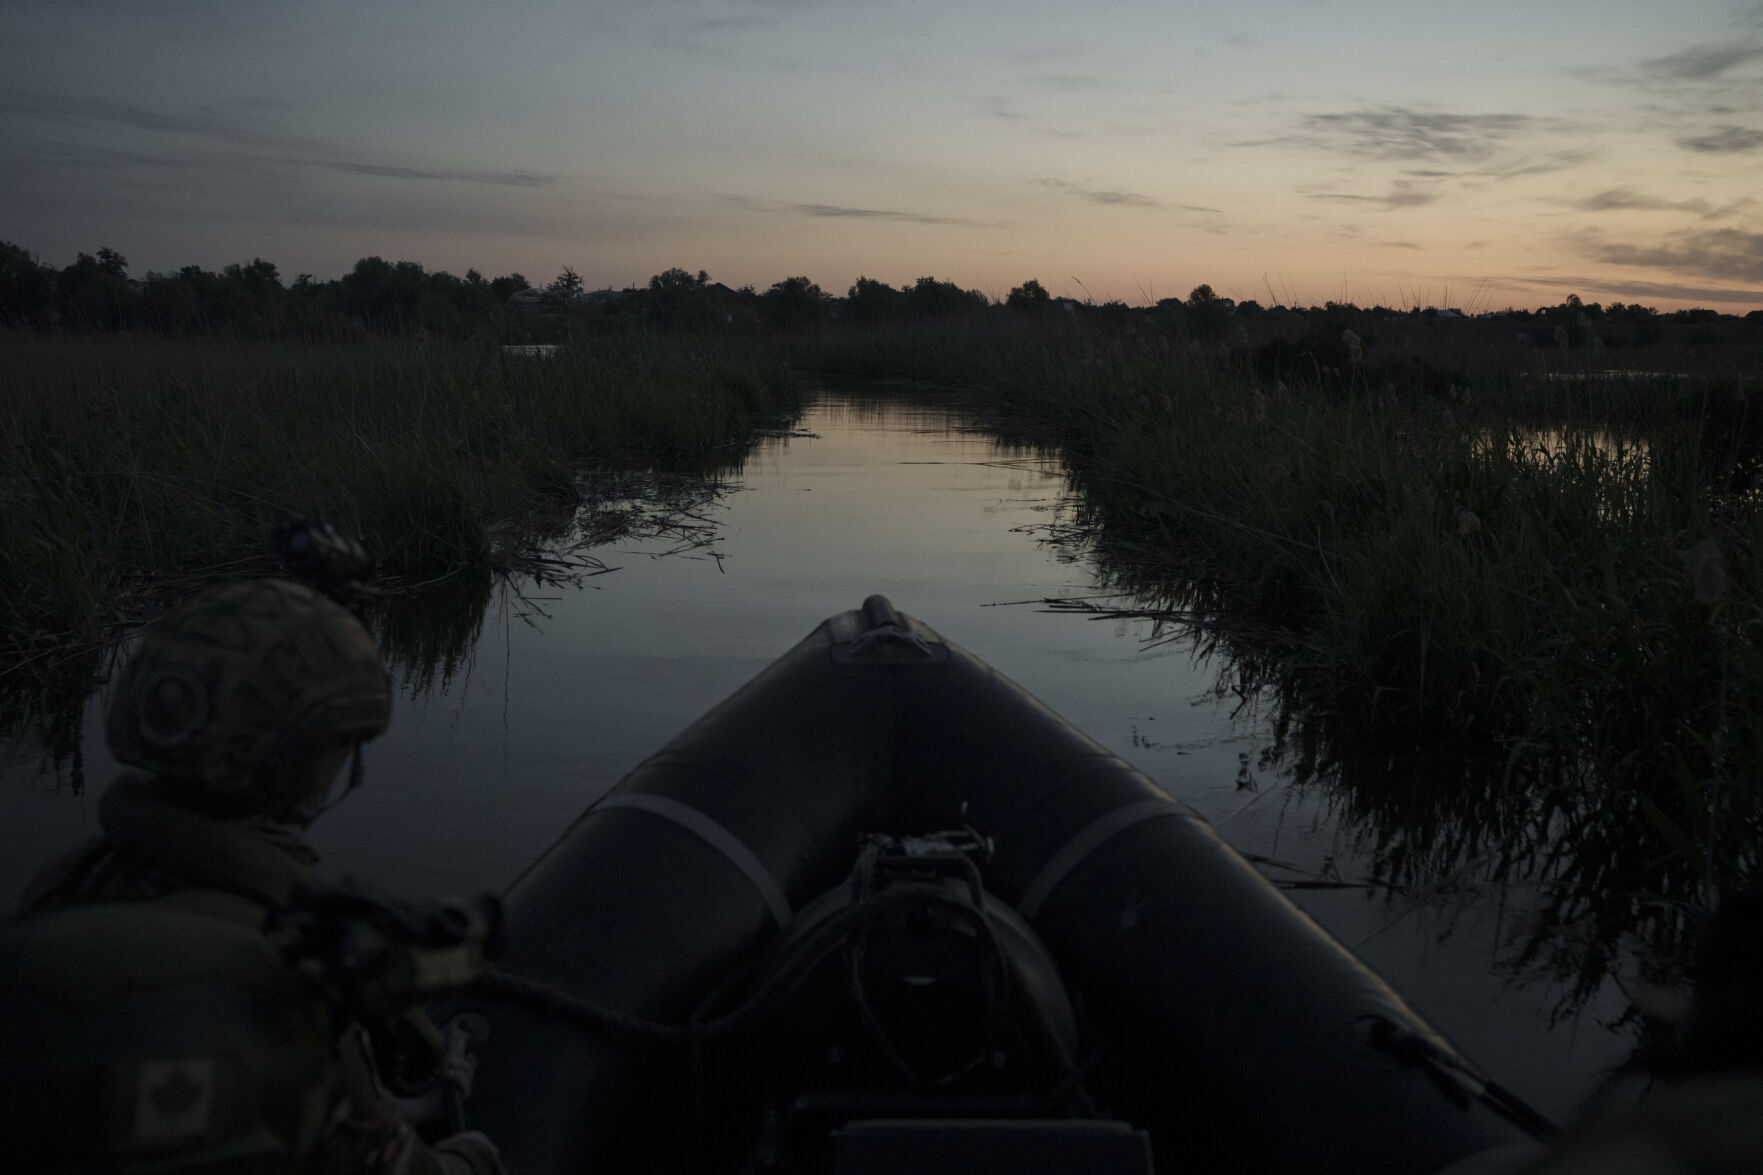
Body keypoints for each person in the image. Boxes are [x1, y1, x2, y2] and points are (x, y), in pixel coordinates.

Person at [0, 578, 504, 1175]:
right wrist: (469, 1159)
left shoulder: (68, 883)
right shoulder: (266, 974)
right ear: (312, 758)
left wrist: (381, 1103)